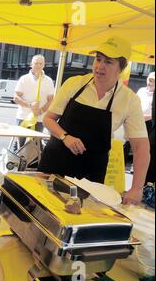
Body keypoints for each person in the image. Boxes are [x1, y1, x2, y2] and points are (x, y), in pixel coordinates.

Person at [38, 36, 150, 205]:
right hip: (55, 164)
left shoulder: (129, 100)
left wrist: (137, 188)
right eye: (98, 59)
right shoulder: (74, 84)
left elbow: (141, 146)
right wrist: (65, 137)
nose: (100, 66)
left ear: (122, 67)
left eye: (108, 62)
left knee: (80, 219)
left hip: (91, 175)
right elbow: (48, 119)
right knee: (41, 208)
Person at [14, 54, 54, 147]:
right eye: (36, 63)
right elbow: (16, 97)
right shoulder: (24, 79)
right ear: (31, 64)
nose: (38, 65)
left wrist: (41, 111)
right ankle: (16, 161)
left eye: (41, 63)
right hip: (23, 117)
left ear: (44, 65)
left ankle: (33, 162)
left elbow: (51, 100)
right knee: (19, 143)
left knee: (35, 145)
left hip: (39, 118)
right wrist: (29, 105)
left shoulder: (48, 81)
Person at [136, 72, 154, 136]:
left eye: (153, 81)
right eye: (149, 80)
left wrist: (144, 117)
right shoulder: (141, 90)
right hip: (136, 122)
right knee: (129, 143)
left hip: (149, 125)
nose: (149, 83)